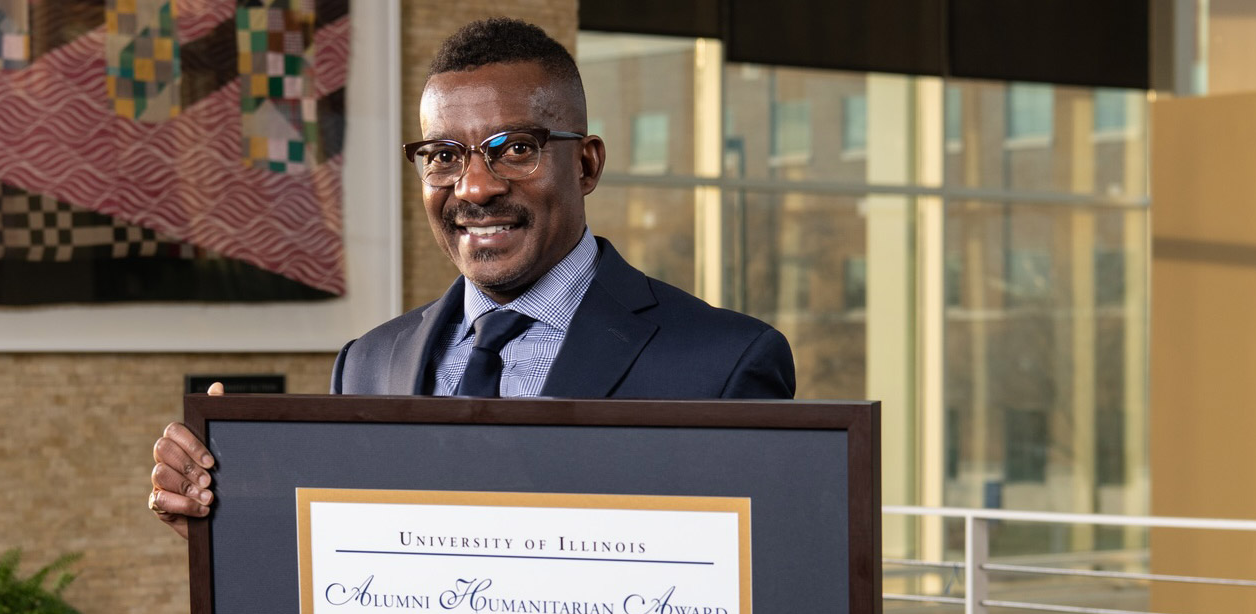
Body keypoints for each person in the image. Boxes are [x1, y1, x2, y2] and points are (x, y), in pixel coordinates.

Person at [148, 18, 795, 536]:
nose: (476, 187)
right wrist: (223, 521)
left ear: (588, 165)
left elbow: (762, 602)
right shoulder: (366, 366)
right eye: (444, 156)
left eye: (517, 148)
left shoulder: (723, 367)